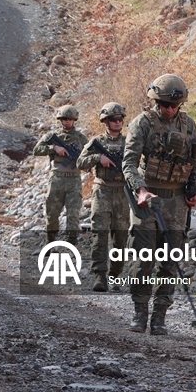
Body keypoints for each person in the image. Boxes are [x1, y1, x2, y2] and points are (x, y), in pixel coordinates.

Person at [122, 74, 196, 335]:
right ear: (156, 102)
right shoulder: (142, 124)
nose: (169, 109)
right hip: (148, 199)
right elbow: (129, 163)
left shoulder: (189, 125)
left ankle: (159, 317)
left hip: (177, 202)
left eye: (173, 105)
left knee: (170, 261)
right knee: (143, 259)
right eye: (164, 105)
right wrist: (141, 189)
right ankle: (140, 312)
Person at [77, 102, 130, 292]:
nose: (118, 122)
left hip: (123, 193)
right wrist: (98, 159)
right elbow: (80, 162)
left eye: (120, 119)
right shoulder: (96, 142)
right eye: (114, 119)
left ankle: (115, 275)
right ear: (105, 121)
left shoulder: (129, 142)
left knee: (121, 237)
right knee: (100, 233)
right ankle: (100, 275)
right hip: (102, 190)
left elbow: (138, 164)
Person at [33, 105, 89, 245]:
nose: (67, 121)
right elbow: (37, 149)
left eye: (70, 119)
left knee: (73, 215)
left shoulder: (81, 138)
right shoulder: (53, 137)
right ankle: (50, 242)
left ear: (74, 119)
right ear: (60, 120)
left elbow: (90, 155)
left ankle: (71, 243)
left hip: (74, 179)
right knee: (52, 214)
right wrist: (53, 148)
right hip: (57, 178)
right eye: (64, 119)